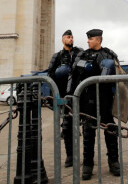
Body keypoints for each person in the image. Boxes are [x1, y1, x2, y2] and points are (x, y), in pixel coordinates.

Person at [68, 29, 121, 180]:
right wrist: (71, 95)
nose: (88, 41)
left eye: (90, 39)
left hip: (105, 97)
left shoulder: (109, 54)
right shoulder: (83, 55)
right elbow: (74, 73)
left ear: (98, 40)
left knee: (110, 128)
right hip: (88, 97)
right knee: (88, 131)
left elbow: (119, 73)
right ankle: (88, 164)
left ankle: (113, 160)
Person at [46, 29, 83, 168]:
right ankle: (70, 156)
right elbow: (50, 75)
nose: (71, 39)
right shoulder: (57, 56)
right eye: (68, 37)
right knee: (67, 128)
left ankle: (86, 157)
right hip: (64, 96)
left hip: (79, 95)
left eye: (72, 37)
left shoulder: (79, 52)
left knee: (86, 128)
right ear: (62, 39)